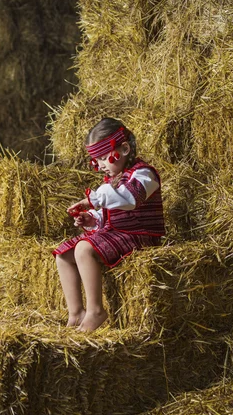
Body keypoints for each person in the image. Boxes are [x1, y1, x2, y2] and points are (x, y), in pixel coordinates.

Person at [53, 117, 165, 332]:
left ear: (124, 149)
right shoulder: (113, 180)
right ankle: (76, 313)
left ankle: (96, 310)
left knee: (84, 249)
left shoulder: (143, 175)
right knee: (64, 254)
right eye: (96, 161)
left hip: (139, 235)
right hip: (118, 232)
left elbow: (130, 200)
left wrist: (92, 201)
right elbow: (111, 211)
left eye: (104, 158)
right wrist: (92, 219)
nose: (101, 165)